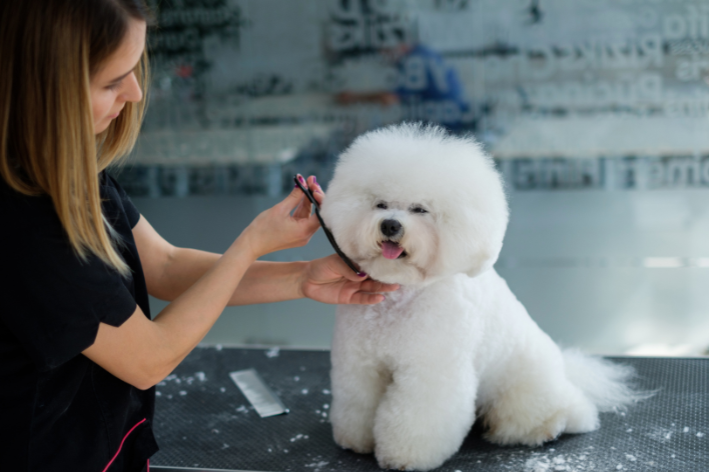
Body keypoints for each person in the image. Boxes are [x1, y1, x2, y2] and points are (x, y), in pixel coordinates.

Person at [0, 1, 398, 471]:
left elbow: (163, 266)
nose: (134, 92)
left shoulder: (71, 174)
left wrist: (303, 278)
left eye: (134, 70)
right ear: (43, 89)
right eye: (112, 81)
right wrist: (252, 240)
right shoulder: (23, 221)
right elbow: (149, 358)